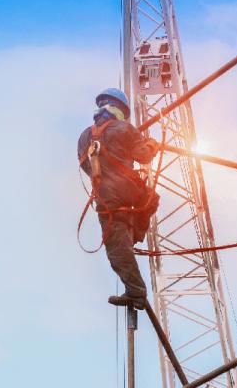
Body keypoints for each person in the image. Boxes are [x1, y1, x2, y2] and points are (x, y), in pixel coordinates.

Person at [77, 88, 160, 310]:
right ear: (120, 111)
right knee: (150, 199)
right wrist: (152, 144)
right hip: (128, 192)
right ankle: (135, 237)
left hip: (106, 201)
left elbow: (85, 165)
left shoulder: (84, 137)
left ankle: (130, 238)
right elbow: (143, 156)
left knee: (116, 248)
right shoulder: (124, 129)